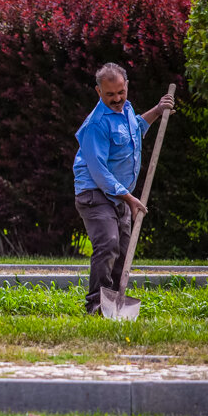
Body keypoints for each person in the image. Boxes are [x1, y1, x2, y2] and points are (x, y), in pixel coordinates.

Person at [73, 62, 174, 315]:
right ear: (98, 91)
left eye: (121, 92)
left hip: (119, 194)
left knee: (124, 249)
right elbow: (99, 172)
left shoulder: (126, 110)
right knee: (108, 243)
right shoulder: (95, 125)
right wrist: (129, 198)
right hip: (94, 192)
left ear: (126, 86)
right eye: (110, 95)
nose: (117, 99)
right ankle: (95, 303)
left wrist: (158, 110)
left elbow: (137, 129)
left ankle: (115, 304)